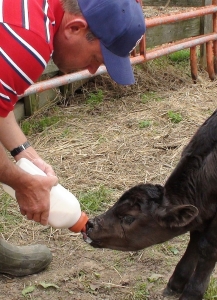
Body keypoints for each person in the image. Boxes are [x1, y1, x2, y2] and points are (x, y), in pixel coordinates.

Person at [0, 0, 146, 276]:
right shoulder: (26, 40)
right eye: (95, 59)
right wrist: (23, 183)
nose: (91, 70)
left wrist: (24, 152)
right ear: (76, 28)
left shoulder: (37, 12)